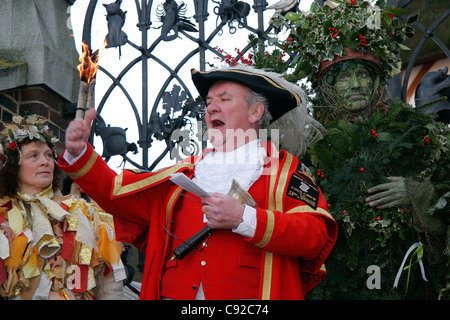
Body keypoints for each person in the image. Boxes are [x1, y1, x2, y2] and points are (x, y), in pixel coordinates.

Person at [58, 65, 338, 300]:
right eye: (208, 103)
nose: (211, 108)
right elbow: (115, 193)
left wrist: (244, 218)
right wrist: (79, 153)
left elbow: (314, 235)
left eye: (224, 100)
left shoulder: (285, 171)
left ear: (255, 113)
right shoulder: (187, 172)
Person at [274, 0, 449, 299]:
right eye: (343, 76)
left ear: (377, 80)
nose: (355, 84)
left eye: (363, 74)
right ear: (328, 87)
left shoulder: (416, 134)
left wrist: (419, 194)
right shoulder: (305, 150)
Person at [0, 114, 125, 300]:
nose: (45, 161)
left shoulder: (84, 213)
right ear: (13, 166)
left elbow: (110, 288)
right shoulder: (4, 215)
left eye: (49, 155)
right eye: (33, 155)